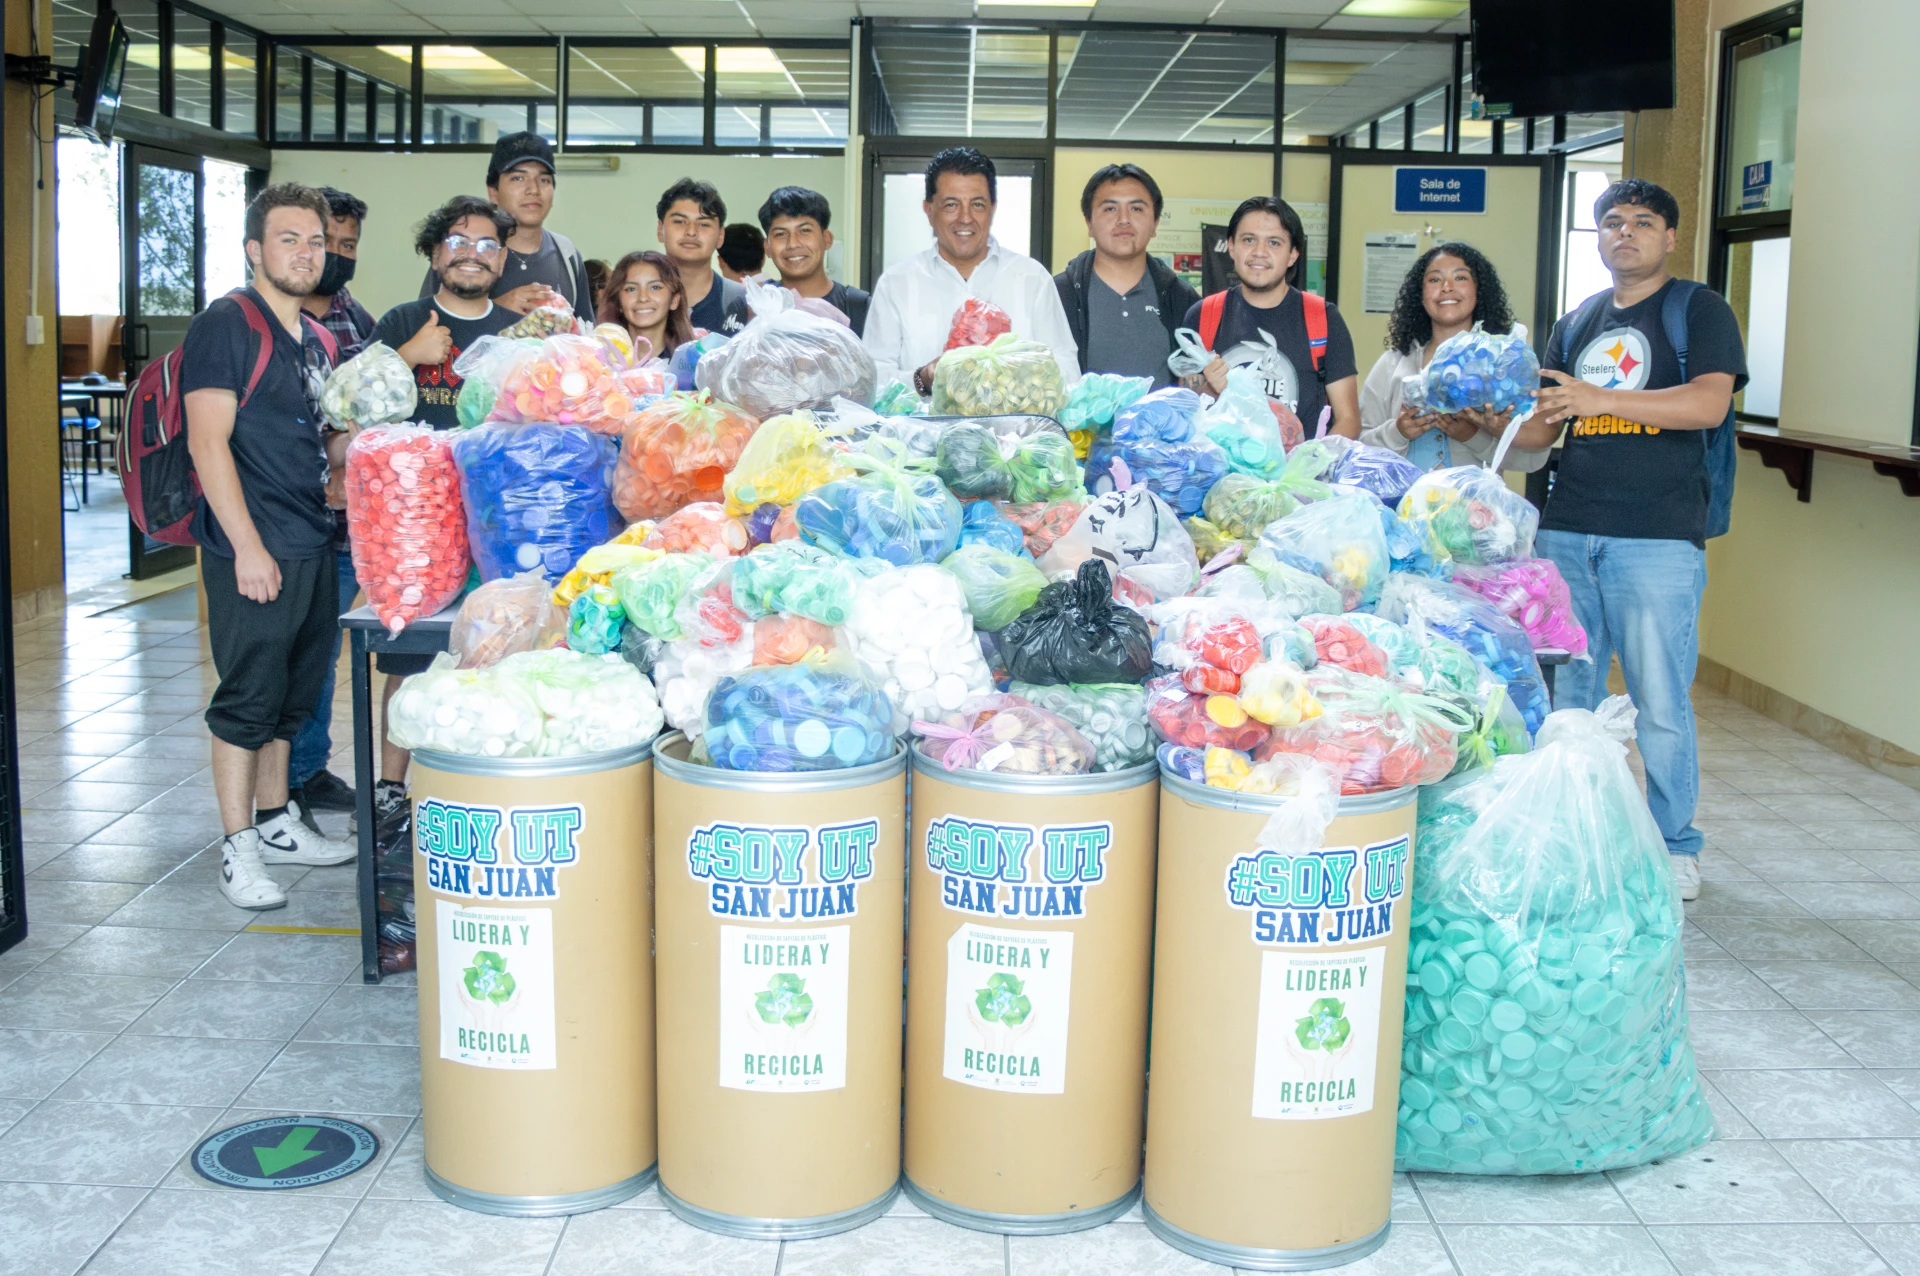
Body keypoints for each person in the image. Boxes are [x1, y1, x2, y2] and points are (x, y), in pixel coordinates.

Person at [1505, 178, 1747, 902]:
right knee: (1569, 699)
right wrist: (1506, 413)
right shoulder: (1577, 321)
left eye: (1643, 223)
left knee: (1660, 699)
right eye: (1612, 223)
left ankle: (1674, 845)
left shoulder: (1697, 310)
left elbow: (1707, 402)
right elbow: (1546, 430)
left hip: (1657, 538)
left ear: (1669, 237)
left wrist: (1600, 397)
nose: (1626, 234)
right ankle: (1579, 830)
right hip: (1569, 531)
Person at [182, 183, 357, 910]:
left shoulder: (313, 337)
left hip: (311, 539)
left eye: (315, 240)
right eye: (288, 239)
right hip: (254, 547)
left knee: (293, 695)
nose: (305, 253)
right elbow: (207, 441)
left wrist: (350, 460)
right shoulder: (227, 324)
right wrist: (247, 546)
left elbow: (316, 441)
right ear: (255, 249)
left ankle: (278, 820)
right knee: (248, 699)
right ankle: (238, 849)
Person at [369, 196, 523, 821]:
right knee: (406, 660)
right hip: (412, 530)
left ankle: (485, 779)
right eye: (457, 240)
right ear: (434, 253)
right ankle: (388, 788)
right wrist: (408, 356)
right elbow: (355, 410)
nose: (472, 253)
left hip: (494, 523)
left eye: (487, 244)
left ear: (503, 260)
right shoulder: (402, 320)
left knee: (494, 649)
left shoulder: (515, 335)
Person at [287, 186, 376, 826]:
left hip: (352, 527)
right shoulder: (268, 321)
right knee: (292, 656)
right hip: (289, 517)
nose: (335, 256)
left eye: (347, 245)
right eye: (327, 243)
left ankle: (307, 772)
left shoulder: (358, 319)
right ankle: (280, 782)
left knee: (324, 654)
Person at [864, 147, 1079, 393]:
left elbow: (1067, 371)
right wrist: (922, 379)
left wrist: (1016, 378)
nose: (965, 218)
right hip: (923, 429)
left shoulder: (1032, 278)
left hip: (1013, 430)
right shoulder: (896, 283)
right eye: (951, 205)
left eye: (977, 205)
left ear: (993, 209)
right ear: (929, 210)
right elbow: (871, 377)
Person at [1358, 242, 1547, 473]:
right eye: (1435, 280)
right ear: (1420, 294)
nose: (1447, 287)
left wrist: (1472, 436)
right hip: (1401, 506)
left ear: (1479, 290)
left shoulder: (1505, 366)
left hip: (1476, 506)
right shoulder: (1393, 363)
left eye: (1460, 278)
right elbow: (1358, 445)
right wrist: (1398, 432)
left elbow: (1531, 460)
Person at [1181, 195, 1360, 439]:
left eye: (1274, 243)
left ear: (1293, 254)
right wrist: (1209, 388)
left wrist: (1308, 468)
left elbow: (1348, 419)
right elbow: (1185, 410)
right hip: (1221, 476)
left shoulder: (1324, 319)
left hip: (1300, 474)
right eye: (1249, 240)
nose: (1259, 253)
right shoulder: (1202, 316)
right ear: (1231, 247)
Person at [417, 131, 594, 319]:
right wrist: (493, 309)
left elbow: (585, 338)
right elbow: (426, 326)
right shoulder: (464, 251)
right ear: (493, 192)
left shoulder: (567, 255)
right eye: (518, 178)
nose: (533, 189)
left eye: (544, 180)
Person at [1054, 163, 1197, 389]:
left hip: (1162, 425)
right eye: (1110, 209)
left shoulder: (1181, 297)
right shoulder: (1059, 295)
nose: (1124, 219)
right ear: (1089, 223)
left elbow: (1195, 380)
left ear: (1155, 223)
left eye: (1137, 209)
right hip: (1077, 426)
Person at [757, 186, 870, 334]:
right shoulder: (754, 305)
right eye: (780, 234)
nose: (793, 244)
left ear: (827, 239)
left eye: (804, 231)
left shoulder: (860, 308)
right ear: (767, 248)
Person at [656, 178, 749, 336]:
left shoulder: (742, 301)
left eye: (704, 224)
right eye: (679, 221)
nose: (691, 232)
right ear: (660, 230)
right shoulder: (639, 300)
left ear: (720, 236)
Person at [599, 249, 695, 366]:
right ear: (618, 301)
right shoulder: (597, 361)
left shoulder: (693, 364)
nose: (643, 298)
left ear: (674, 300)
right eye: (631, 289)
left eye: (655, 287)